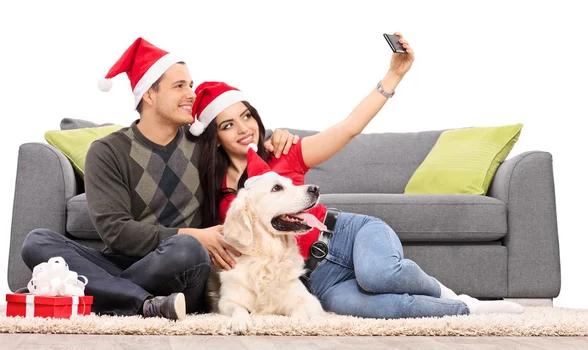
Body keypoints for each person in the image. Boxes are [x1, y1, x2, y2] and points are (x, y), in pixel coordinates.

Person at [188, 33, 524, 319]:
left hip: (346, 234)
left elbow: (348, 128)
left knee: (378, 273)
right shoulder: (218, 195)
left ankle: (453, 295)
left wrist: (394, 75)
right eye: (228, 124)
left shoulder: (284, 151)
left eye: (246, 116)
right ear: (213, 136)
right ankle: (465, 312)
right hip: (317, 278)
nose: (244, 128)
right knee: (358, 305)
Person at [20, 38, 297, 320]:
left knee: (187, 249)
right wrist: (190, 234)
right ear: (149, 95)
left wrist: (279, 139)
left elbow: (247, 145)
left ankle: (95, 291)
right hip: (124, 263)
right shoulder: (107, 152)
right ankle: (145, 303)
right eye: (179, 86)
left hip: (183, 266)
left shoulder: (204, 144)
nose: (191, 94)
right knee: (36, 242)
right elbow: (116, 233)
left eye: (190, 84)